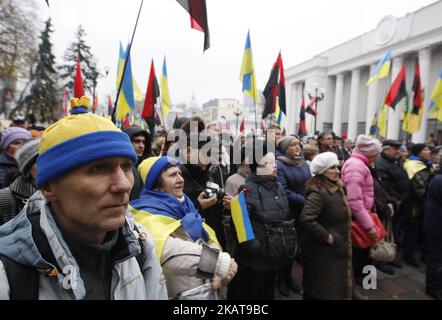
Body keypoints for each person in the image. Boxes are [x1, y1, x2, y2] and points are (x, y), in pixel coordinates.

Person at [0, 113, 167, 300]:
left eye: (126, 167)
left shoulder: (139, 245)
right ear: (49, 186)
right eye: (99, 168)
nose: (124, 184)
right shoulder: (7, 273)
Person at [130, 156, 237, 299]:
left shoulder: (187, 206)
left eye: (180, 173)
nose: (180, 179)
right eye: (173, 175)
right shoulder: (145, 213)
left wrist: (220, 272)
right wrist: (220, 263)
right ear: (155, 183)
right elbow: (167, 251)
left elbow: (205, 238)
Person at [227, 139, 295, 300]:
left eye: (274, 162)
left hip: (273, 259)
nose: (275, 166)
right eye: (268, 163)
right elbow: (240, 228)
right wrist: (258, 248)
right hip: (252, 262)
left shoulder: (278, 186)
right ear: (257, 167)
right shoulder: (246, 190)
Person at [300, 152, 352, 300]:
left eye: (337, 167)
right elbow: (307, 219)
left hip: (336, 249)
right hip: (323, 252)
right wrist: (328, 237)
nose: (337, 171)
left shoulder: (337, 187)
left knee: (335, 285)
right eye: (332, 168)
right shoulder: (319, 192)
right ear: (322, 171)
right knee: (322, 289)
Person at [341, 135, 382, 287]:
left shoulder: (360, 164)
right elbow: (355, 201)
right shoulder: (355, 166)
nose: (378, 157)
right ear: (369, 153)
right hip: (358, 218)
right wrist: (369, 226)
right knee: (358, 251)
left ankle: (361, 279)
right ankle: (358, 281)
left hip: (363, 215)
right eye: (377, 154)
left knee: (363, 251)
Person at [276, 136, 311, 296]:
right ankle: (281, 281)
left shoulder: (303, 163)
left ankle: (289, 278)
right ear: (284, 148)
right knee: (286, 247)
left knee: (296, 245)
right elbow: (283, 190)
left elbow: (309, 183)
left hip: (303, 211)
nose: (298, 147)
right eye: (293, 145)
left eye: (299, 144)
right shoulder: (279, 164)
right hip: (288, 211)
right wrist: (304, 201)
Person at [375, 139, 412, 268]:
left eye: (399, 148)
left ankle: (390, 256)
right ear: (386, 149)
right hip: (392, 204)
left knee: (395, 233)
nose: (398, 151)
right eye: (395, 149)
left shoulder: (397, 161)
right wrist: (398, 200)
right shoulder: (381, 164)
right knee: (385, 233)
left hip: (401, 203)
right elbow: (386, 187)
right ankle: (381, 260)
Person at [403, 143, 433, 267]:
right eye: (426, 149)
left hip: (421, 203)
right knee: (412, 229)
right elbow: (420, 188)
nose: (429, 151)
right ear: (419, 152)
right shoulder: (414, 166)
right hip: (415, 204)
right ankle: (409, 255)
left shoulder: (423, 165)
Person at [0, 139, 39, 225]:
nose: (47, 165)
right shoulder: (4, 198)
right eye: (39, 161)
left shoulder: (62, 193)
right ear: (27, 170)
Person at [423, 157, 442, 300]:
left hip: (436, 222)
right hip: (437, 224)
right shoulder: (439, 180)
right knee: (436, 258)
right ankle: (433, 287)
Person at [123, 125, 151, 200]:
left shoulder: (141, 165)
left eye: (143, 142)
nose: (141, 146)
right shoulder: (122, 167)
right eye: (137, 141)